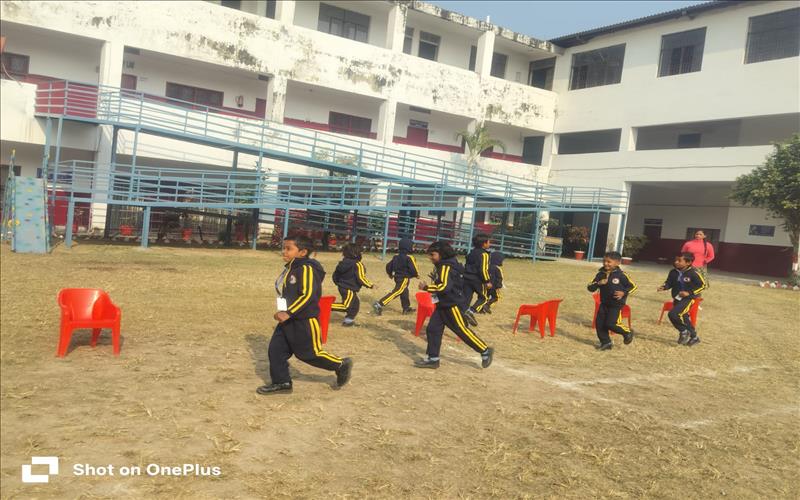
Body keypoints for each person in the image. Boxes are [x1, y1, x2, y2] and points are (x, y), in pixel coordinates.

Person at [257, 235, 353, 395]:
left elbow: (308, 295)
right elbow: (285, 293)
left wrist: (288, 312)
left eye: (289, 249)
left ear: (302, 252)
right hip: (288, 321)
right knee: (275, 350)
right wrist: (282, 310)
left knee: (309, 354)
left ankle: (341, 364)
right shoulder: (291, 268)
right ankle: (282, 382)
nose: (284, 251)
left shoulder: (307, 269)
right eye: (284, 248)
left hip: (304, 321)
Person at [415, 241, 494, 369]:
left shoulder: (446, 266)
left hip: (452, 304)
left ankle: (485, 351)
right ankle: (433, 359)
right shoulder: (443, 265)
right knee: (433, 329)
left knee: (461, 330)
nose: (430, 258)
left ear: (441, 254)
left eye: (433, 255)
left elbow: (444, 286)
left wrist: (427, 287)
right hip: (442, 304)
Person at [587, 251, 637, 351]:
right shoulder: (600, 274)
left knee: (611, 323)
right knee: (599, 324)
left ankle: (627, 332)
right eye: (604, 261)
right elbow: (590, 287)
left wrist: (623, 292)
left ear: (617, 263)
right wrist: (598, 283)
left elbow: (633, 286)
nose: (606, 263)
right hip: (604, 303)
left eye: (609, 262)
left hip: (616, 305)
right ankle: (606, 342)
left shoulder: (622, 275)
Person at [658, 252, 707, 346]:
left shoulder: (693, 273)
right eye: (676, 260)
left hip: (689, 299)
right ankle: (694, 337)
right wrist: (664, 287)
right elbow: (669, 282)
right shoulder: (673, 272)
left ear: (688, 262)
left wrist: (689, 293)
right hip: (677, 298)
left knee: (673, 314)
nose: (676, 262)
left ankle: (684, 331)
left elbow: (703, 285)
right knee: (684, 318)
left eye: (679, 260)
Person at [372, 237, 419, 316]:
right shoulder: (410, 257)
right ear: (408, 247)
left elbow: (389, 266)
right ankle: (380, 304)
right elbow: (413, 268)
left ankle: (406, 308)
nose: (413, 248)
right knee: (397, 291)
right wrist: (416, 274)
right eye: (412, 246)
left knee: (404, 291)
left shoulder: (396, 256)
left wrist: (390, 274)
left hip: (397, 277)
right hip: (404, 278)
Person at [331, 243, 373, 326]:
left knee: (355, 304)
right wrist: (370, 285)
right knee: (346, 306)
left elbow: (335, 275)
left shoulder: (342, 263)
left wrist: (338, 283)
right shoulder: (358, 264)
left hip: (343, 287)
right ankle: (322, 305)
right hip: (349, 288)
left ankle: (348, 321)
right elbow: (361, 278)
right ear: (356, 254)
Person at [462, 233, 493, 326]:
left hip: (466, 278)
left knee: (466, 298)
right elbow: (483, 269)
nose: (490, 243)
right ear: (484, 244)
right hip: (477, 280)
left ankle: (461, 314)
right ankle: (471, 311)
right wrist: (487, 281)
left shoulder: (471, 253)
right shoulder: (484, 254)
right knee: (484, 298)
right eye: (489, 242)